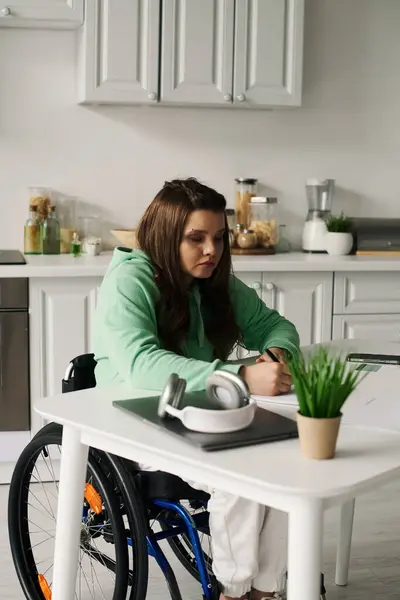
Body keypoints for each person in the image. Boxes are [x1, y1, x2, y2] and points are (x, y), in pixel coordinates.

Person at [93, 178, 300, 600]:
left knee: (282, 468)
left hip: (200, 408)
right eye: (196, 238)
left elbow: (275, 325)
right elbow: (140, 365)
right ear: (167, 237)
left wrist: (276, 353)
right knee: (239, 478)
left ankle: (264, 590)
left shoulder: (210, 279)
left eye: (219, 238)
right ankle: (235, 592)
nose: (212, 250)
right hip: (132, 415)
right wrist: (240, 376)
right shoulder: (130, 280)